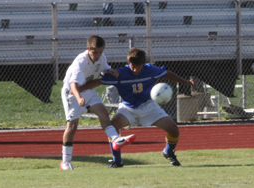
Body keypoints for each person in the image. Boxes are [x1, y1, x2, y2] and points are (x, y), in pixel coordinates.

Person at [80, 47, 196, 168]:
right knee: (113, 127)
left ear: (143, 64)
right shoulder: (121, 73)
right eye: (132, 66)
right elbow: (98, 81)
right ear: (128, 63)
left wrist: (185, 82)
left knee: (174, 130)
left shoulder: (150, 70)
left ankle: (168, 152)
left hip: (149, 106)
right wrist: (79, 89)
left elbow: (167, 73)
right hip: (128, 108)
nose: (135, 70)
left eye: (138, 67)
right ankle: (117, 161)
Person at [60, 35, 136, 170]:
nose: (98, 55)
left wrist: (110, 71)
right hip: (72, 94)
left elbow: (103, 68)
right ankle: (65, 162)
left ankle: (115, 139)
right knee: (72, 127)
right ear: (88, 49)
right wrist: (79, 98)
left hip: (87, 90)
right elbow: (73, 86)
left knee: (103, 113)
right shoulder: (80, 62)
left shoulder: (101, 57)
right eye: (95, 52)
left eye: (100, 52)